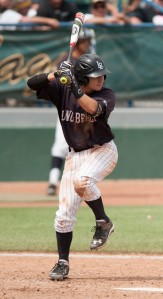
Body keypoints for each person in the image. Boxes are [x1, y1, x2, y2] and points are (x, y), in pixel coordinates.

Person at [27, 53, 118, 280]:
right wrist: (56, 74)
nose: (101, 80)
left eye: (102, 75)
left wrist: (74, 86)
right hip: (74, 155)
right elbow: (32, 83)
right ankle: (62, 263)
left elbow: (92, 109)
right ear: (82, 77)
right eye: (95, 76)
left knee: (83, 181)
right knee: (63, 216)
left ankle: (103, 222)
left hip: (103, 150)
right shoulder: (62, 88)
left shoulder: (106, 95)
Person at [47, 28, 96, 196]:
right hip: (68, 107)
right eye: (85, 41)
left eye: (88, 41)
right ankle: (53, 181)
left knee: (85, 145)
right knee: (61, 146)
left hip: (85, 108)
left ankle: (80, 183)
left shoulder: (88, 60)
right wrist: (66, 71)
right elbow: (59, 80)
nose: (87, 44)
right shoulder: (65, 60)